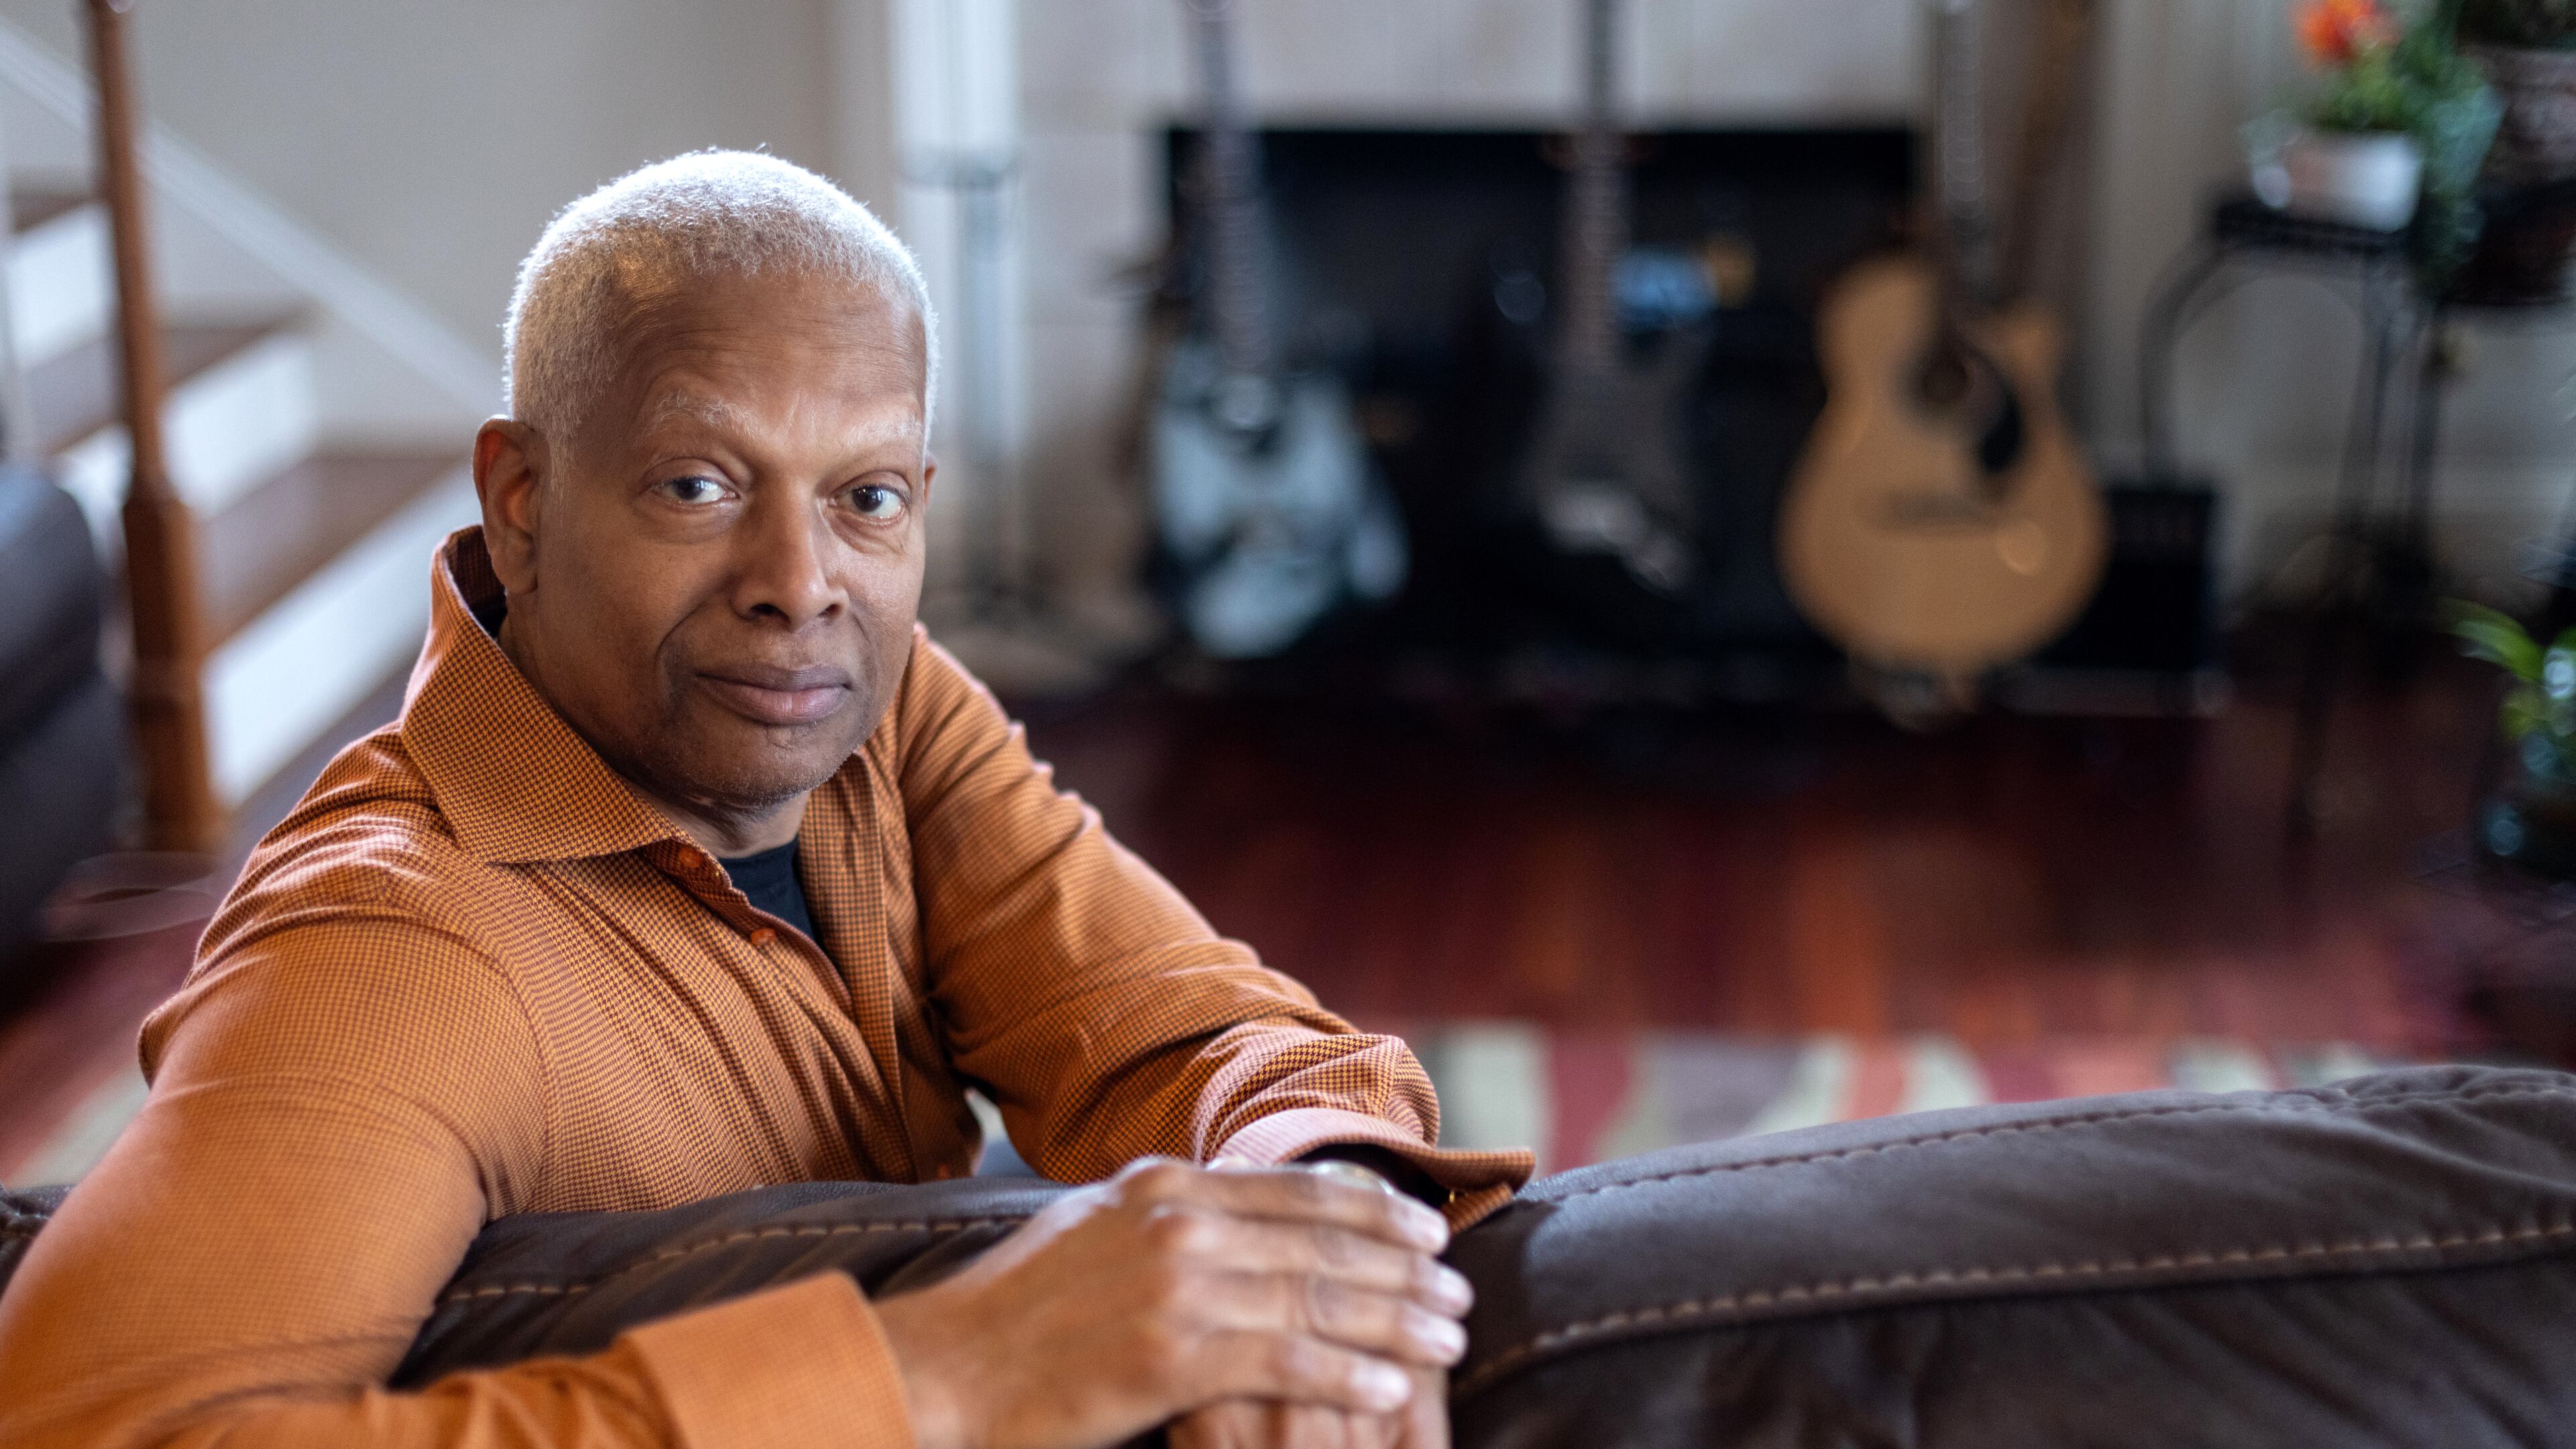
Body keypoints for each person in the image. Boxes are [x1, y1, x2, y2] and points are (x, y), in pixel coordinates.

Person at [0, 151, 1532, 1449]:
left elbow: (1173, 1025)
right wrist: (947, 1379)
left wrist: (1315, 1230)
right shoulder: (393, 946)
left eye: (865, 499)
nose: (802, 588)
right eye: (700, 487)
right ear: (521, 501)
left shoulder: (879, 710)